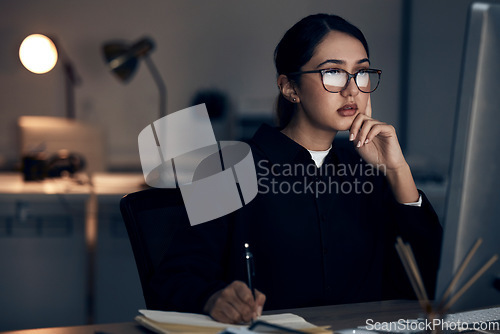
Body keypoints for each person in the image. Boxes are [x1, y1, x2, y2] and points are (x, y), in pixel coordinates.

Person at [150, 13, 442, 324]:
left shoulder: (368, 170)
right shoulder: (227, 168)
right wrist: (212, 298)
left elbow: (430, 283)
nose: (352, 89)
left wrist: (397, 170)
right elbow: (173, 280)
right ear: (290, 87)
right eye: (333, 72)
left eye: (361, 72)